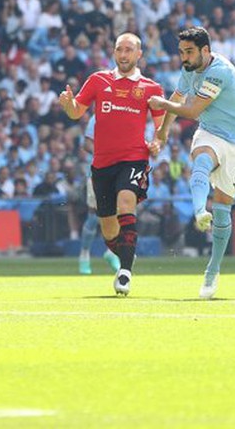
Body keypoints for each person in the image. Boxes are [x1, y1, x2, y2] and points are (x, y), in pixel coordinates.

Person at [148, 26, 235, 300]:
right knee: (202, 161)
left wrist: (161, 105)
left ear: (205, 50)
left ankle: (213, 269)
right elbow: (178, 97)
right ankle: (199, 212)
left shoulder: (220, 71)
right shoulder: (190, 69)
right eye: (181, 52)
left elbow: (193, 109)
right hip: (210, 132)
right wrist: (163, 131)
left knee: (223, 208)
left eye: (189, 52)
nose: (183, 57)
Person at [58, 32, 165, 295]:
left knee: (126, 203)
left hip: (134, 158)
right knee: (108, 230)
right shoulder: (98, 80)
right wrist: (68, 105)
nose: (124, 54)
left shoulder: (151, 88)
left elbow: (161, 127)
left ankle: (125, 273)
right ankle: (127, 252)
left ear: (139, 54)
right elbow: (76, 112)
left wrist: (157, 143)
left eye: (129, 50)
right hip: (102, 163)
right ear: (114, 52)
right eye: (119, 49)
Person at [77, 115, 121, 275]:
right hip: (99, 172)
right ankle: (84, 254)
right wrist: (105, 154)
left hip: (120, 172)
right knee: (94, 216)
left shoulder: (125, 114)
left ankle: (112, 252)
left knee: (121, 213)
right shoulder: (98, 116)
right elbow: (87, 143)